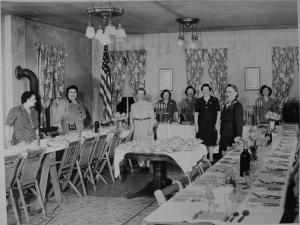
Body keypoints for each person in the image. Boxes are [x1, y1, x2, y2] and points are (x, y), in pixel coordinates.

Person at [194, 84, 221, 163]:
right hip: (201, 124)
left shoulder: (215, 100)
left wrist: (217, 124)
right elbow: (196, 114)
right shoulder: (199, 100)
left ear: (210, 90)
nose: (205, 91)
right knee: (203, 142)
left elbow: (219, 112)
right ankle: (205, 159)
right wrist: (196, 126)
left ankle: (211, 158)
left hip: (212, 124)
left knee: (211, 142)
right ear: (202, 91)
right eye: (204, 90)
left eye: (207, 90)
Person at [219, 84, 244, 159]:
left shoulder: (237, 105)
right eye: (226, 92)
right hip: (224, 136)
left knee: (229, 158)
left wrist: (238, 137)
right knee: (223, 158)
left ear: (236, 93)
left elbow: (239, 123)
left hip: (231, 138)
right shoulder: (226, 104)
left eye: (230, 92)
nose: (227, 94)